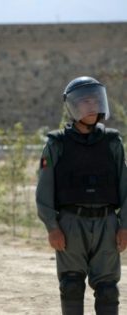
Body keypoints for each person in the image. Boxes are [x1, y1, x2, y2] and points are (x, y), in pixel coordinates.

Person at [36, 76, 127, 315]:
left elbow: (125, 186)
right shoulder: (56, 144)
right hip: (70, 225)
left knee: (108, 289)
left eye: (95, 100)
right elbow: (44, 190)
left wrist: (124, 225)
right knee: (71, 286)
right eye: (85, 101)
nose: (91, 106)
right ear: (73, 106)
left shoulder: (112, 143)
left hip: (107, 223)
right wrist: (52, 227)